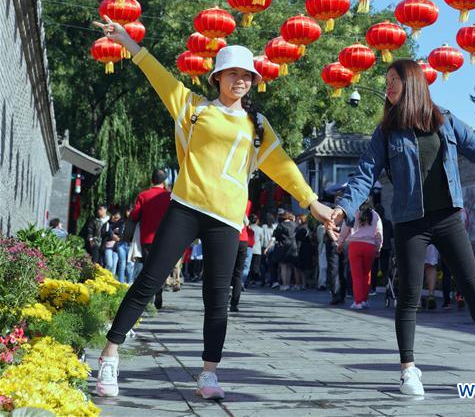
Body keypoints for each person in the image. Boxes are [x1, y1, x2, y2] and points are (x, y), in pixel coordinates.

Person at [93, 22, 332, 402]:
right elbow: (159, 76)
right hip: (187, 207)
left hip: (226, 218)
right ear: (218, 76)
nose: (240, 81)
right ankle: (110, 354)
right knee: (150, 279)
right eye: (233, 73)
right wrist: (130, 45)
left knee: (217, 298)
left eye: (247, 75)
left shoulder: (257, 125)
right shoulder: (193, 107)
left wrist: (313, 203)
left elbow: (284, 167)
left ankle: (208, 373)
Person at [328, 59, 475, 398]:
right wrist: (344, 208)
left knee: (472, 287)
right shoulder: (386, 132)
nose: (388, 87)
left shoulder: (446, 121)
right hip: (410, 222)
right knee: (408, 296)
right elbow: (365, 173)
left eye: (395, 80)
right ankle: (408, 370)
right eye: (387, 81)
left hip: (448, 218)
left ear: (413, 83)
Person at [129, 168, 171, 310]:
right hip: (165, 238)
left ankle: (150, 295)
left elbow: (135, 215)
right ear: (164, 181)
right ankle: (159, 288)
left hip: (147, 238)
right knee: (161, 266)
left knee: (148, 268)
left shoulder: (143, 195)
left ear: (152, 180)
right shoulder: (170, 196)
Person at [338, 200, 382, 310]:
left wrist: (340, 243)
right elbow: (379, 232)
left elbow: (344, 230)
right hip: (370, 246)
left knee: (356, 275)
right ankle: (365, 300)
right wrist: (378, 247)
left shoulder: (352, 213)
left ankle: (358, 301)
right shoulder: (375, 215)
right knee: (367, 274)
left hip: (355, 245)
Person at [230, 203, 252, 313]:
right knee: (238, 273)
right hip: (244, 239)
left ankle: (223, 300)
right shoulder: (248, 203)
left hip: (231, 237)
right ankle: (234, 303)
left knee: (228, 271)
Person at [370, 205, 392, 295]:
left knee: (374, 268)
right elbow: (392, 234)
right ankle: (388, 287)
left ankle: (373, 288)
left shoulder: (374, 222)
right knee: (385, 269)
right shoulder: (388, 222)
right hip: (386, 247)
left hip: (375, 247)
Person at [273, 211, 297, 291]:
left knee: (283, 266)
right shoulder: (294, 224)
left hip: (283, 246)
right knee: (289, 266)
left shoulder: (281, 225)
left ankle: (284, 284)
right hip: (293, 246)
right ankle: (288, 284)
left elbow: (276, 235)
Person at [102, 208, 124, 276]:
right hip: (108, 246)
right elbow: (103, 234)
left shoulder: (121, 225)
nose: (116, 218)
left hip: (116, 247)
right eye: (114, 216)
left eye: (118, 217)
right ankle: (103, 277)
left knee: (114, 267)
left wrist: (119, 237)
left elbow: (124, 235)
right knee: (109, 264)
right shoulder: (107, 224)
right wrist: (112, 235)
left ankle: (111, 282)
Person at [293, 214, 312, 290]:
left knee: (299, 267)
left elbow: (298, 239)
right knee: (304, 268)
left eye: (298, 219)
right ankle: (304, 283)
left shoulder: (300, 229)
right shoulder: (307, 228)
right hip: (306, 249)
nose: (297, 221)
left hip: (300, 248)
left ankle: (300, 283)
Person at [248, 214, 263, 286]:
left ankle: (248, 279)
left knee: (248, 264)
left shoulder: (249, 228)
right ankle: (254, 280)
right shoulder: (260, 229)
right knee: (256, 265)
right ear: (257, 221)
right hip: (257, 249)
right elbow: (262, 239)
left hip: (249, 247)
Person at [423, 244, 438, 310]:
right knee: (431, 265)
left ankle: (416, 300)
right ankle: (431, 294)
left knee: (416, 265)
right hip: (431, 238)